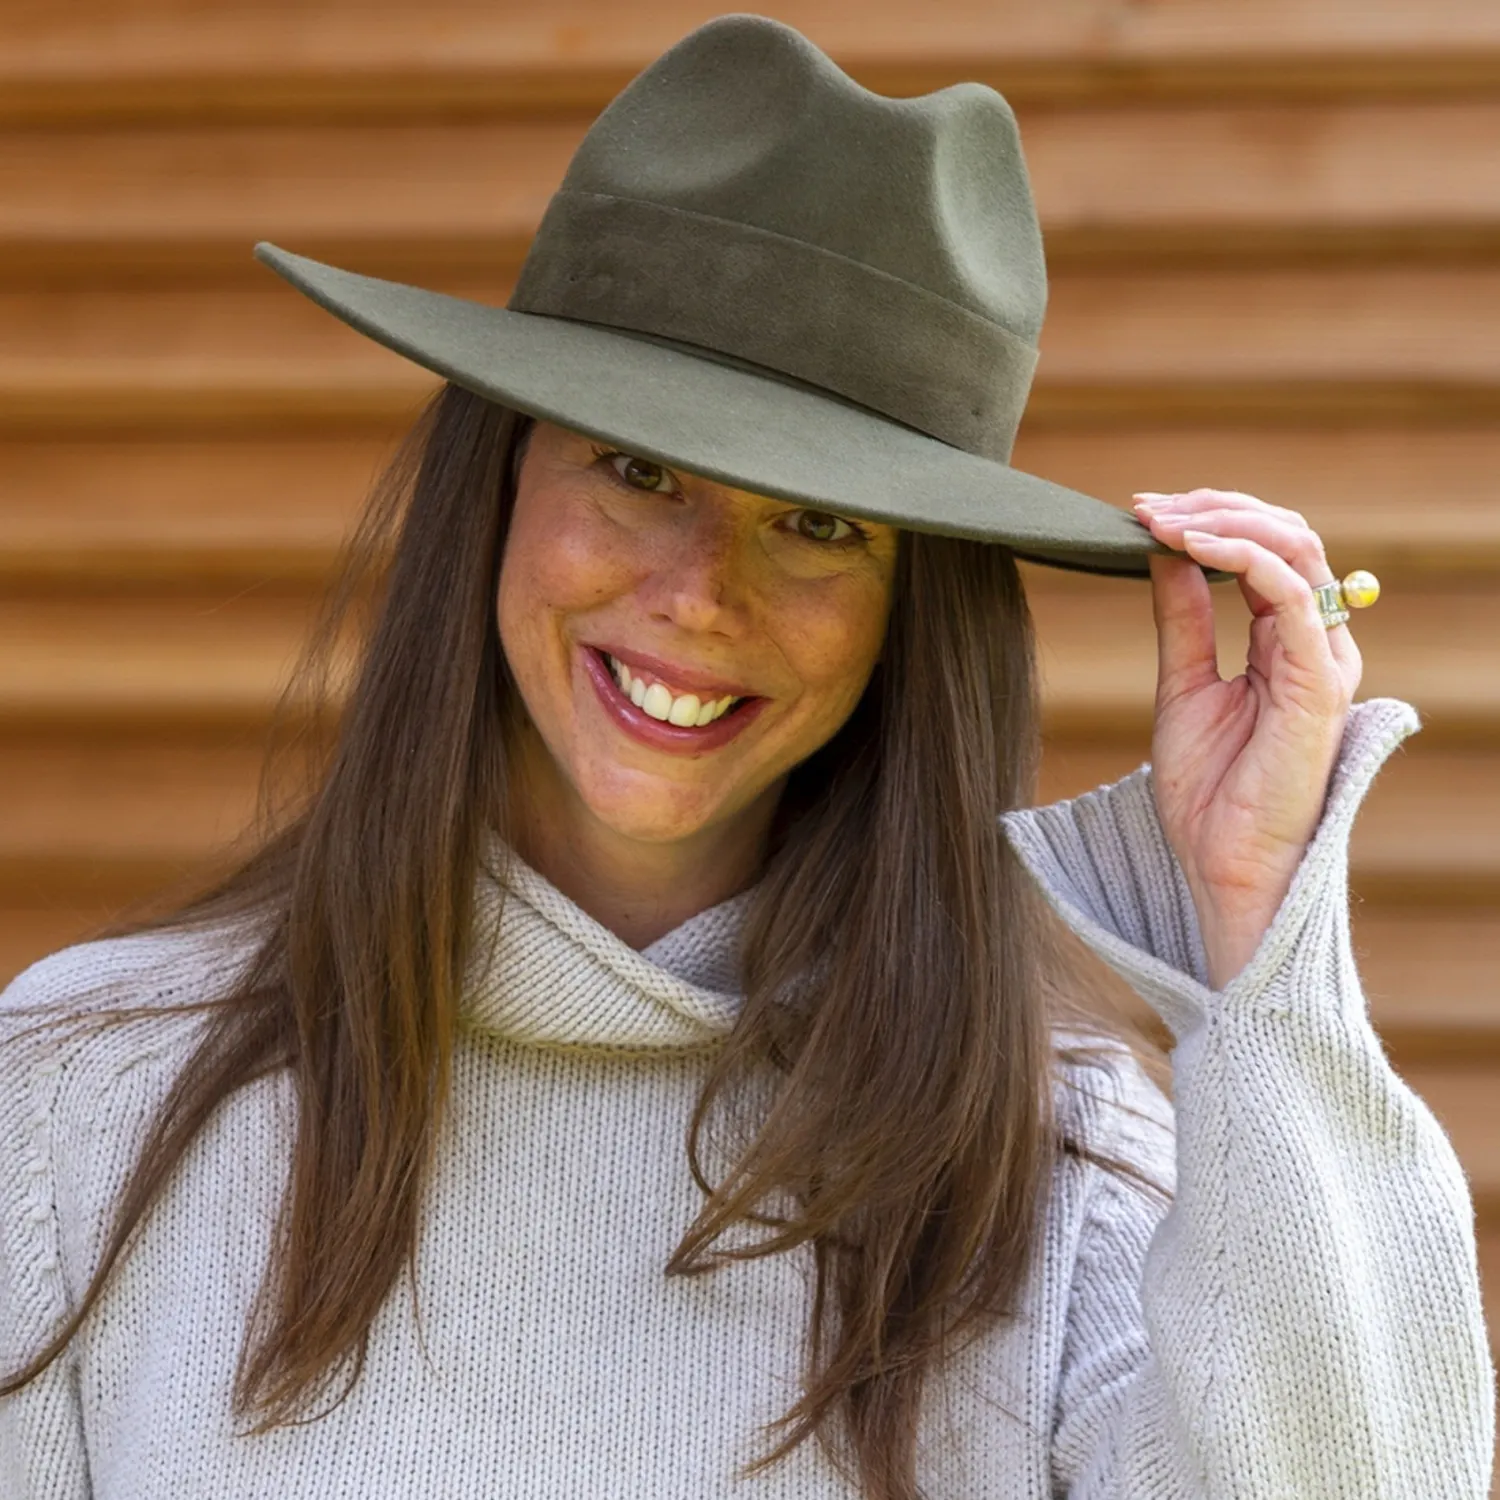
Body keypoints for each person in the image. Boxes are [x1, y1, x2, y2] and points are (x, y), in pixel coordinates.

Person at [0, 14, 1492, 1500]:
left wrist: (1262, 943)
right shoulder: (83, 1102)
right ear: (498, 474)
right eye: (640, 471)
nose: (703, 595)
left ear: (915, 616)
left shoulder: (1057, 1185)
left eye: (820, 524)